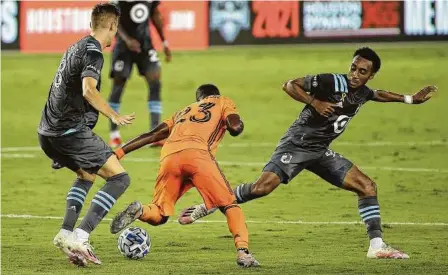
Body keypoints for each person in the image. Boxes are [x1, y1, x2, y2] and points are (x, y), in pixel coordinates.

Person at [178, 47, 438, 259]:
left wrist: (410, 99)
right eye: (353, 68)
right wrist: (315, 101)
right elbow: (289, 84)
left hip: (320, 151)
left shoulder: (364, 92)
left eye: (363, 71)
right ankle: (209, 204)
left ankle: (377, 246)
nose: (355, 75)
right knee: (261, 188)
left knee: (367, 187)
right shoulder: (331, 81)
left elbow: (377, 94)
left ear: (371, 75)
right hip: (297, 144)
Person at [110, 84, 260, 267]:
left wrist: (118, 153)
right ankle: (243, 253)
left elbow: (153, 134)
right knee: (229, 205)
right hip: (197, 156)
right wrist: (238, 125)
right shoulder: (223, 102)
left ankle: (140, 210)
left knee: (160, 213)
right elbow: (235, 127)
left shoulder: (183, 111)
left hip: (169, 157)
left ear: (199, 99)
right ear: (214, 95)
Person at [37, 3, 136, 266]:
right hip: (68, 132)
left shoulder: (75, 46)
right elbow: (88, 90)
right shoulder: (94, 53)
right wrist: (113, 115)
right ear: (112, 26)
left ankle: (65, 233)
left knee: (86, 174)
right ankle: (81, 236)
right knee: (120, 178)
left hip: (48, 132)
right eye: (115, 27)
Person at [108, 0, 171, 148]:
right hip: (123, 49)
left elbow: (155, 14)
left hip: (145, 47)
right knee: (118, 87)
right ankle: (114, 135)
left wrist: (164, 42)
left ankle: (155, 134)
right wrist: (127, 40)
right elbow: (113, 20)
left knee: (155, 82)